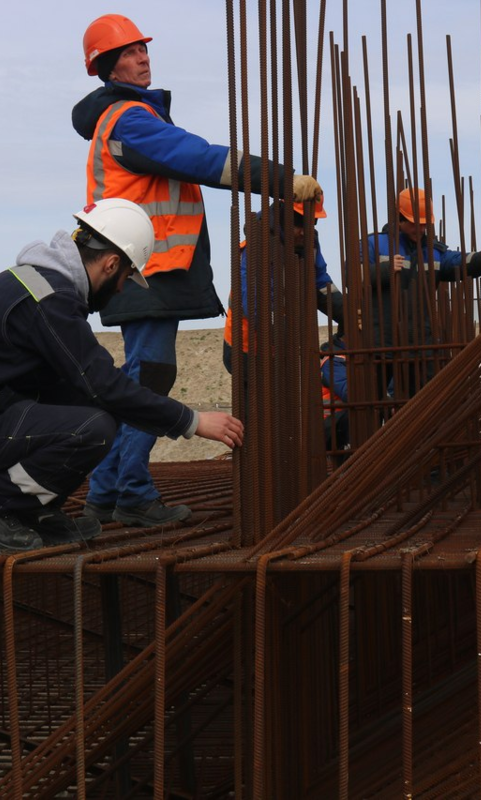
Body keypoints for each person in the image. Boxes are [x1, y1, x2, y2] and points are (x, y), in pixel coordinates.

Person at [73, 14, 322, 527]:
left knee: (143, 378)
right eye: (130, 53)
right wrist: (279, 179)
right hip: (146, 270)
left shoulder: (132, 118)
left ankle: (108, 494)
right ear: (106, 65)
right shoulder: (129, 121)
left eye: (144, 49)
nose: (143, 58)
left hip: (146, 268)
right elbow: (200, 158)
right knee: (149, 379)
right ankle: (131, 493)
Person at [0, 199, 245, 553]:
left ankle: (32, 509)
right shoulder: (49, 298)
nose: (121, 289)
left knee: (89, 403)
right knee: (91, 429)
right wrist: (192, 421)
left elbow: (90, 382)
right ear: (111, 263)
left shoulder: (41, 286)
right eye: (124, 279)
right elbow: (104, 385)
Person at [361, 187, 481, 401]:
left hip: (422, 344)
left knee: (425, 404)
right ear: (399, 217)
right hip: (382, 344)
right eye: (413, 223)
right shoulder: (375, 244)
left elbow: (459, 262)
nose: (419, 229)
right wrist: (385, 270)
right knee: (372, 403)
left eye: (423, 224)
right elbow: (353, 276)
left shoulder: (433, 251)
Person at [222, 197, 343, 374]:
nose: (304, 231)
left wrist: (347, 312)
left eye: (312, 222)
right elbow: (255, 304)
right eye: (299, 223)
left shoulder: (309, 242)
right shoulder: (259, 245)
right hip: (248, 348)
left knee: (285, 399)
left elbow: (320, 283)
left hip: (284, 344)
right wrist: (290, 335)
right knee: (258, 400)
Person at [320, 331, 349, 464]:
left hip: (339, 420)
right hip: (331, 424)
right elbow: (348, 393)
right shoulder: (333, 361)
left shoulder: (344, 358)